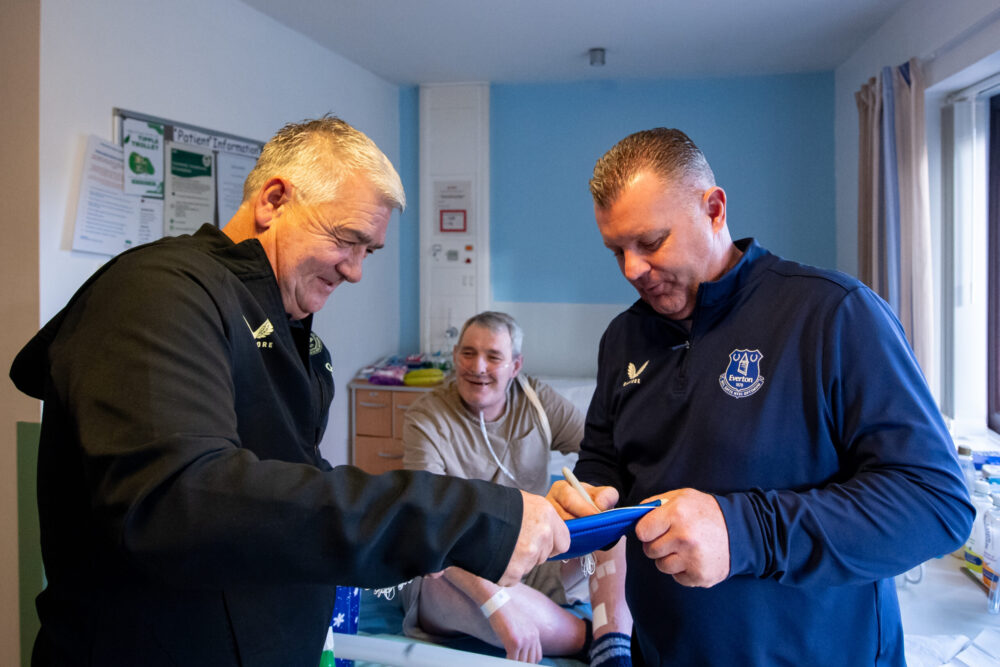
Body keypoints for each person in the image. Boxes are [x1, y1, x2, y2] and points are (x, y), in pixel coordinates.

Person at [9, 117, 568, 667]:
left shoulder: (296, 338)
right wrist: (470, 517)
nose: (355, 272)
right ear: (274, 201)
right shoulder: (158, 294)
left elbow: (294, 493)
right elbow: (183, 499)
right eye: (347, 240)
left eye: (369, 251)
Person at [546, 127, 974, 665]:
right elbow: (605, 462)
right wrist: (588, 495)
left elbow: (935, 503)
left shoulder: (834, 314)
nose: (632, 270)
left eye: (651, 243)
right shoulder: (623, 339)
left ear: (715, 209)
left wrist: (743, 532)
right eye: (617, 251)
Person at [400, 311, 632, 666]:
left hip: (532, 553)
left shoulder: (537, 401)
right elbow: (428, 526)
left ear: (515, 365)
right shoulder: (426, 418)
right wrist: (497, 605)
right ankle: (590, 640)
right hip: (455, 565)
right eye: (467, 353)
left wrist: (590, 502)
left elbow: (602, 455)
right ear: (455, 356)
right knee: (433, 578)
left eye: (493, 356)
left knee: (613, 516)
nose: (478, 367)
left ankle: (612, 637)